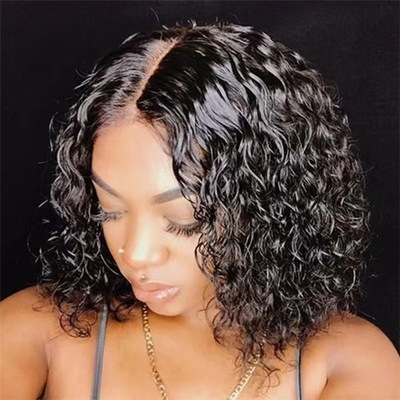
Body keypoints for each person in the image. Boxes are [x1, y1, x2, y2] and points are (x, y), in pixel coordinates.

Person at [0, 21, 398, 400]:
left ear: (264, 205)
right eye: (110, 211)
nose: (136, 253)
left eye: (181, 221)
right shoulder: (37, 330)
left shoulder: (347, 361)